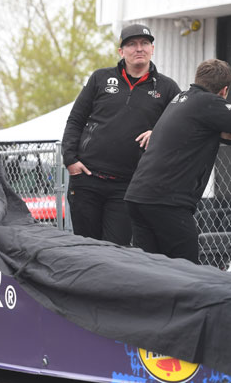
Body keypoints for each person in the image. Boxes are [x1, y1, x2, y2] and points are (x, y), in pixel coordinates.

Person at [61, 24, 181, 244]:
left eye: (145, 43)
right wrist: (70, 160)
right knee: (85, 249)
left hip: (129, 185)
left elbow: (181, 127)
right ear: (121, 51)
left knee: (116, 251)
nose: (139, 48)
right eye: (132, 44)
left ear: (152, 49)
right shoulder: (100, 78)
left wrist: (158, 132)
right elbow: (75, 120)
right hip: (87, 179)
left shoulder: (168, 88)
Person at [125, 59, 231, 263]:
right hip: (166, 201)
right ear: (224, 90)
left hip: (138, 196)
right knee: (186, 268)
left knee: (151, 268)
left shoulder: (181, 99)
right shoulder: (209, 103)